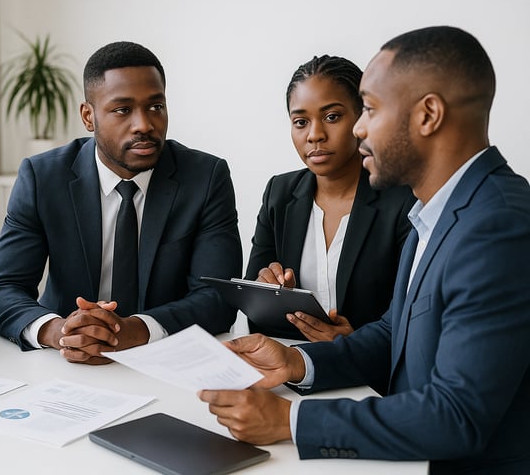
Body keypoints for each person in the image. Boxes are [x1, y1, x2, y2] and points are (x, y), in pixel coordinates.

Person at [199, 26, 530, 474]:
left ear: (428, 114)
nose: (357, 128)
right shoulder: (436, 211)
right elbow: (395, 332)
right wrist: (297, 362)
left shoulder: (497, 224)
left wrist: (290, 419)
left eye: (369, 109)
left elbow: (457, 415)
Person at [0, 41, 242, 364]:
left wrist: (135, 330)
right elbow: (2, 289)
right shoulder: (43, 178)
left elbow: (218, 297)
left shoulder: (205, 178)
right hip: (65, 366)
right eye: (123, 110)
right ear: (88, 116)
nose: (144, 125)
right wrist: (59, 331)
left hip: (166, 360)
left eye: (156, 107)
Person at [246, 55, 415, 342]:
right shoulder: (280, 192)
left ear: (362, 117)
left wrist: (356, 343)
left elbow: (411, 320)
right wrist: (267, 287)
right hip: (289, 361)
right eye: (300, 122)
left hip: (372, 376)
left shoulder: (402, 200)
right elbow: (254, 306)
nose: (315, 135)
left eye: (332, 117)